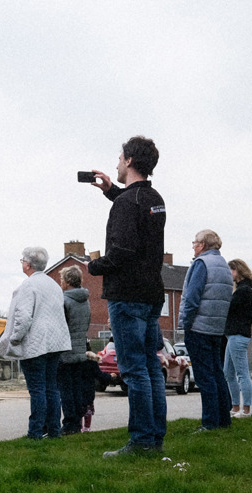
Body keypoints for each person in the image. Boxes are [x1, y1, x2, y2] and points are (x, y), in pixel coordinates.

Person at [87, 136, 169, 457]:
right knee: (150, 368)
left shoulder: (128, 203)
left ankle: (141, 442)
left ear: (131, 161)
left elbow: (121, 252)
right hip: (151, 295)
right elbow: (132, 205)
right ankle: (154, 438)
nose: (116, 164)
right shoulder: (153, 198)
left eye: (119, 158)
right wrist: (110, 190)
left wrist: (93, 266)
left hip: (128, 296)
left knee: (134, 370)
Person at [0, 246, 72, 440]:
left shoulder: (28, 286)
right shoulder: (54, 285)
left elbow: (23, 317)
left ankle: (35, 431)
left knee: (37, 389)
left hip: (35, 344)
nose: (22, 263)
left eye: (22, 260)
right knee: (51, 387)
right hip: (55, 343)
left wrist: (14, 338)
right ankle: (54, 430)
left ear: (28, 264)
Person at [179, 229, 234, 431]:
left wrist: (186, 323)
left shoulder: (201, 264)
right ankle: (223, 420)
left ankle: (209, 422)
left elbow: (192, 297)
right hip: (217, 328)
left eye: (194, 242)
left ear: (202, 245)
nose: (193, 246)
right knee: (217, 373)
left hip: (199, 326)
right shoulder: (224, 266)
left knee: (204, 377)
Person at [58, 266, 93, 435]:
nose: (61, 283)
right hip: (80, 350)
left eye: (62, 280)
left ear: (68, 281)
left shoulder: (64, 301)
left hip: (65, 351)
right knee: (77, 388)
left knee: (66, 390)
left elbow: (62, 325)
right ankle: (77, 423)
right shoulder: (85, 300)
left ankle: (69, 423)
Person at [225, 259, 252, 417]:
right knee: (228, 372)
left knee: (241, 374)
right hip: (233, 335)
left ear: (237, 271)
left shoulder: (243, 290)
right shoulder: (242, 289)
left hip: (238, 336)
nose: (229, 273)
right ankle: (235, 406)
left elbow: (229, 309)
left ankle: (246, 409)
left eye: (230, 270)